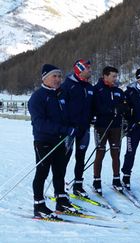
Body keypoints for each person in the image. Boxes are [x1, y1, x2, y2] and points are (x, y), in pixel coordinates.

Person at [28, 64, 78, 218]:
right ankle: (39, 205)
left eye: (59, 76)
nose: (58, 79)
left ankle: (61, 201)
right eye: (54, 76)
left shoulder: (61, 95)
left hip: (61, 141)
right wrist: (64, 129)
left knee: (60, 172)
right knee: (42, 173)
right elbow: (39, 123)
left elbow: (66, 116)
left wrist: (72, 126)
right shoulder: (38, 97)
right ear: (45, 78)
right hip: (44, 140)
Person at [61, 59, 93, 197]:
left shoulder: (89, 87)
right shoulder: (67, 85)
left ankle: (78, 185)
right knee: (64, 158)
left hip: (84, 128)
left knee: (81, 157)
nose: (90, 70)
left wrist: (94, 116)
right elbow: (61, 107)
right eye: (88, 68)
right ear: (79, 70)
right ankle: (59, 186)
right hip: (69, 129)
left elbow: (93, 106)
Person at [92, 66, 126, 195]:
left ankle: (116, 179)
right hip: (102, 126)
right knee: (100, 153)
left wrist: (121, 109)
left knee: (115, 153)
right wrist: (111, 110)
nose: (115, 79)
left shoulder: (118, 91)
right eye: (113, 76)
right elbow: (95, 107)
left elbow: (124, 104)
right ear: (105, 76)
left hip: (116, 126)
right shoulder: (97, 89)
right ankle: (97, 181)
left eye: (116, 76)